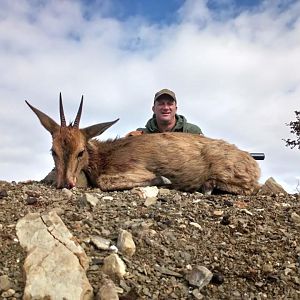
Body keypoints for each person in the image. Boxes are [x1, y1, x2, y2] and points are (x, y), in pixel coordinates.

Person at [127, 88, 203, 136]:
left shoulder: (192, 131)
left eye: (170, 104)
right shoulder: (140, 135)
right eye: (161, 104)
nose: (166, 108)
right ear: (153, 109)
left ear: (176, 109)